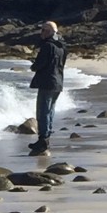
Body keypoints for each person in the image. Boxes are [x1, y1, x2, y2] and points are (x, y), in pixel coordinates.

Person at [28, 20, 67, 156]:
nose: (41, 33)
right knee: (50, 111)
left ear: (50, 32)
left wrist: (34, 65)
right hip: (58, 82)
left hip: (47, 82)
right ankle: (46, 138)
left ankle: (43, 140)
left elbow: (41, 64)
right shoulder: (62, 46)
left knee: (43, 112)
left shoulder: (48, 46)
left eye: (44, 30)